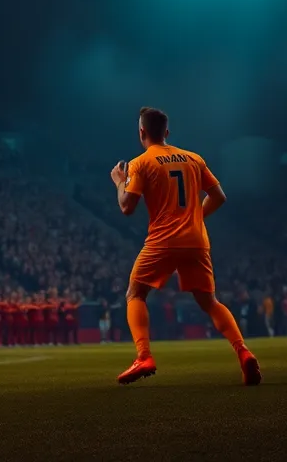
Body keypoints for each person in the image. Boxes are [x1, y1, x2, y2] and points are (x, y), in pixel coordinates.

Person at [111, 107, 260, 386]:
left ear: (141, 132)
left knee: (135, 293)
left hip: (163, 240)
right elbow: (219, 197)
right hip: (196, 240)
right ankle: (243, 352)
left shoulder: (140, 163)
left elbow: (126, 207)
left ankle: (144, 356)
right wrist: (194, 217)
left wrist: (120, 182)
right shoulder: (194, 158)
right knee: (210, 302)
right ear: (167, 132)